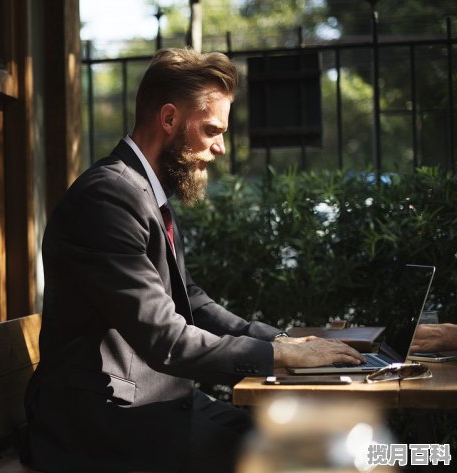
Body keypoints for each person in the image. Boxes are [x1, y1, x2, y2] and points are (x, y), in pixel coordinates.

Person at [21, 48, 364, 473]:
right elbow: (166, 339)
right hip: (104, 426)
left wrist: (281, 342)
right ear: (169, 120)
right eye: (212, 130)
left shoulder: (141, 193)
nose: (220, 148)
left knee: (313, 443)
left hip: (154, 404)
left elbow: (192, 302)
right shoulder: (107, 198)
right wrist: (277, 358)